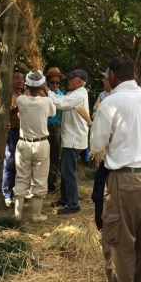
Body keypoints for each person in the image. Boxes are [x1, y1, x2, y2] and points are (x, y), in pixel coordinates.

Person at [90, 56, 141, 282]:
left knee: (120, 241)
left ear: (112, 75)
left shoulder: (111, 103)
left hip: (127, 178)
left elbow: (96, 144)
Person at [14, 71, 56, 223]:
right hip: (41, 144)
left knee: (21, 178)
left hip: (23, 143)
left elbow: (26, 94)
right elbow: (52, 113)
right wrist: (43, 90)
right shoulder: (47, 102)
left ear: (27, 85)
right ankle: (36, 215)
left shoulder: (21, 100)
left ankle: (17, 215)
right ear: (42, 86)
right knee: (40, 179)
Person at [46, 68, 90, 215]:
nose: (68, 81)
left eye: (71, 79)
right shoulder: (75, 93)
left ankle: (73, 204)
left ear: (79, 82)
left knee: (68, 172)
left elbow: (60, 103)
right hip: (70, 138)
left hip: (73, 139)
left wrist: (46, 90)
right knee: (65, 171)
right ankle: (65, 199)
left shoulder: (79, 94)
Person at [91, 69, 113, 230]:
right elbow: (94, 112)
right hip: (103, 152)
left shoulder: (119, 99)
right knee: (100, 184)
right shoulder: (101, 96)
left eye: (104, 79)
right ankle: (99, 222)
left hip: (114, 152)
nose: (103, 82)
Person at [2, 70, 25, 207]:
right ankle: (7, 194)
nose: (20, 81)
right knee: (9, 162)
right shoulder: (8, 95)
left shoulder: (23, 95)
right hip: (11, 131)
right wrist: (19, 107)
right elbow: (7, 113)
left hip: (22, 132)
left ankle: (18, 193)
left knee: (20, 164)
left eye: (22, 78)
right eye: (16, 78)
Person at [44, 67, 66, 193]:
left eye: (57, 82)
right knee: (42, 156)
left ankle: (51, 182)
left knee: (54, 155)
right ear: (47, 82)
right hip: (43, 127)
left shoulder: (61, 95)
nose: (55, 85)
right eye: (52, 82)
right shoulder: (42, 93)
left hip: (55, 128)